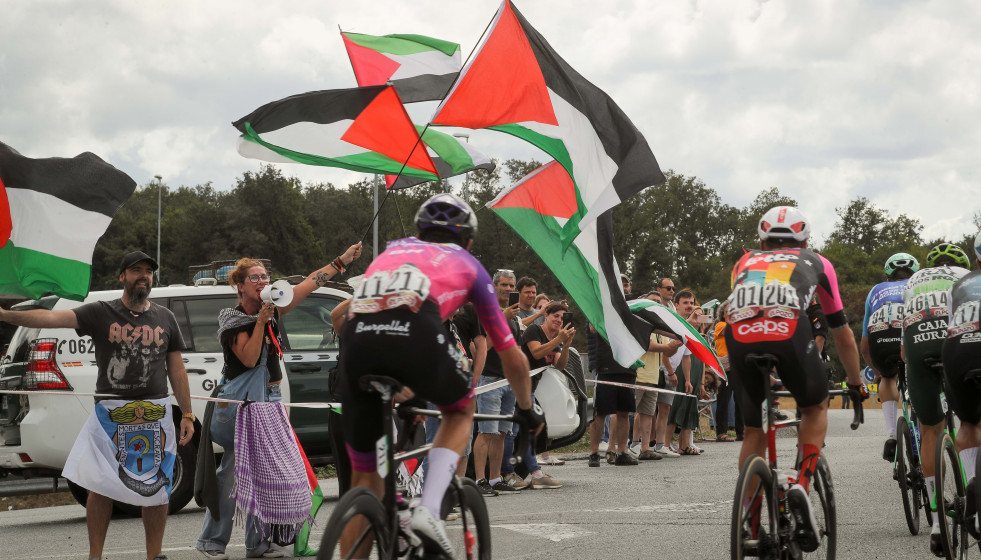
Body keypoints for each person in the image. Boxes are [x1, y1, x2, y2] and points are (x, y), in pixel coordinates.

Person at [339, 193, 544, 557]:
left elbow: (375, 322)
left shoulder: (392, 253)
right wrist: (527, 408)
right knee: (461, 407)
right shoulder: (468, 263)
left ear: (420, 231)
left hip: (357, 343)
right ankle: (429, 511)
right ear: (468, 240)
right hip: (417, 331)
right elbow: (511, 355)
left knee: (366, 480)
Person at [0, 251, 193, 560]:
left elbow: (177, 370)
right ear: (122, 276)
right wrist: (6, 315)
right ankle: (95, 556)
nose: (143, 275)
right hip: (110, 416)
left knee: (157, 487)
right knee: (99, 485)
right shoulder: (101, 312)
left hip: (155, 415)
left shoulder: (165, 318)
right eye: (136, 270)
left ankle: (154, 556)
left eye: (148, 271)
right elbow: (51, 318)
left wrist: (187, 413)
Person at [197, 242, 362, 559]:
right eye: (255, 278)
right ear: (240, 285)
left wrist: (340, 262)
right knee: (233, 473)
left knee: (264, 473)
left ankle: (257, 543)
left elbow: (309, 283)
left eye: (265, 276)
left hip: (268, 398)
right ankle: (213, 541)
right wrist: (260, 320)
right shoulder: (231, 318)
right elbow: (246, 359)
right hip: (241, 403)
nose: (262, 281)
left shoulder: (273, 308)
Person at [723, 206, 865, 552]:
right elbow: (842, 334)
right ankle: (801, 482)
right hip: (789, 328)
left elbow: (750, 313)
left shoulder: (743, 264)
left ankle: (750, 524)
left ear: (761, 239)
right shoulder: (817, 261)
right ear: (805, 239)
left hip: (738, 333)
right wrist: (855, 382)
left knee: (755, 430)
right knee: (815, 408)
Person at [900, 242, 971, 555]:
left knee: (930, 429)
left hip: (917, 346)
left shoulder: (913, 282)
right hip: (956, 342)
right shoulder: (967, 275)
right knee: (971, 420)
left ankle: (936, 517)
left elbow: (903, 346)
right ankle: (975, 501)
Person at [860, 253, 919, 461]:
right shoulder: (917, 286)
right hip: (909, 331)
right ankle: (918, 427)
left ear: (887, 276)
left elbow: (865, 346)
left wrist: (877, 372)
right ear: (915, 274)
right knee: (920, 372)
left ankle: (891, 435)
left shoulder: (876, 290)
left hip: (880, 333)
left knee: (887, 378)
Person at [942, 232, 981, 539]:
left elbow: (947, 325)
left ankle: (972, 492)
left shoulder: (960, 285)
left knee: (967, 423)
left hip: (958, 347)